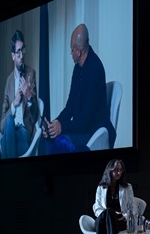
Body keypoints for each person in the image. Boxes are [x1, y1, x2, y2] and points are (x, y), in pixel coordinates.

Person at [39, 23, 116, 154]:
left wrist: (62, 127)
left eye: (72, 50)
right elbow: (70, 107)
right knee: (47, 139)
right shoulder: (77, 68)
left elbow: (85, 121)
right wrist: (54, 125)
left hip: (94, 131)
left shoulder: (95, 69)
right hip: (82, 128)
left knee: (61, 142)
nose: (71, 53)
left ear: (79, 51)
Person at [0, 30, 39, 159]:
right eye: (18, 52)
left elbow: (35, 115)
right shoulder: (9, 81)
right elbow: (2, 125)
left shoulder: (30, 74)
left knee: (3, 145)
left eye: (23, 50)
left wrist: (29, 98)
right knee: (9, 121)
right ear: (13, 56)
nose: (22, 55)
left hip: (23, 132)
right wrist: (13, 105)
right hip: (10, 132)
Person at [92, 159, 136, 234]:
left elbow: (132, 208)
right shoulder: (101, 187)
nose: (119, 172)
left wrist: (123, 215)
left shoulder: (127, 187)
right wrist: (109, 213)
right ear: (109, 170)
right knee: (108, 212)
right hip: (103, 219)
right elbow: (97, 208)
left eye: (121, 170)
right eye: (116, 170)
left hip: (120, 221)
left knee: (108, 214)